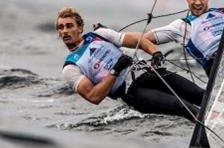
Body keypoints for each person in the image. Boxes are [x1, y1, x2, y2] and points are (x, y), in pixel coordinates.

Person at [56, 7, 204, 121]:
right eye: (61, 28)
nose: (65, 31)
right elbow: (94, 97)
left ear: (80, 28)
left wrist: (155, 52)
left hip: (148, 72)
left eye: (69, 26)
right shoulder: (70, 68)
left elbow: (134, 39)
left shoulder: (100, 34)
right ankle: (208, 125)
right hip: (132, 92)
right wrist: (116, 70)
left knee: (200, 94)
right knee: (182, 106)